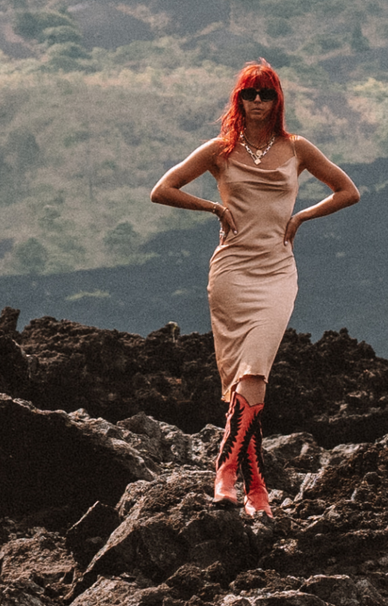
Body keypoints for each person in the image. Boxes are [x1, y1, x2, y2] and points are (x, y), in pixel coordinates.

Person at [150, 59, 360, 518]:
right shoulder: (220, 150)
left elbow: (348, 191)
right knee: (245, 382)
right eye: (250, 94)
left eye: (266, 94)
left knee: (255, 372)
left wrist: (303, 216)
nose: (258, 102)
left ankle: (224, 468)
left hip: (277, 272)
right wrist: (212, 207)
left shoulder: (298, 148)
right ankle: (256, 490)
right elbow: (161, 189)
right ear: (239, 99)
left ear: (277, 100)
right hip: (231, 272)